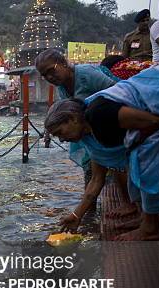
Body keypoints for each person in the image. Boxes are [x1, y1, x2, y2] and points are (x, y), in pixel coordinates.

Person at [44, 62, 159, 241]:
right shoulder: (89, 135)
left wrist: (134, 146)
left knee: (144, 159)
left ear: (72, 119)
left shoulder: (100, 114)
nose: (62, 140)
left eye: (60, 133)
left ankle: (150, 228)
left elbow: (154, 122)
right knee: (137, 158)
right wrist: (76, 215)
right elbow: (96, 180)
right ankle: (144, 220)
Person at [35, 49, 117, 208]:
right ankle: (89, 210)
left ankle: (118, 204)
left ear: (64, 63)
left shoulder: (87, 74)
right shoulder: (62, 88)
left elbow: (118, 90)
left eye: (51, 70)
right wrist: (48, 132)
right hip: (88, 133)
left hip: (111, 127)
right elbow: (64, 111)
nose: (50, 77)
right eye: (45, 75)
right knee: (91, 171)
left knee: (117, 167)